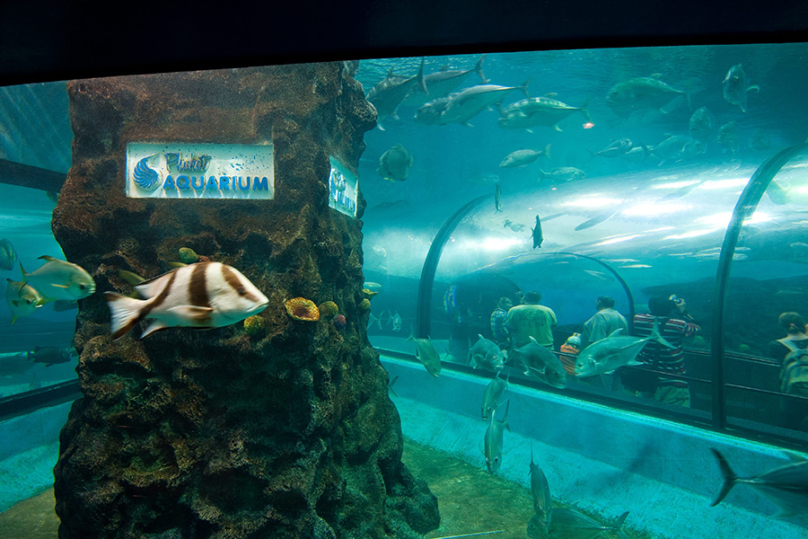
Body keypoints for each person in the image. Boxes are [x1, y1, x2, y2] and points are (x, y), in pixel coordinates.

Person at [621, 295, 700, 407]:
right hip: (673, 382)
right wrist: (683, 312)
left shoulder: (637, 320)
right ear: (670, 308)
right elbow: (696, 329)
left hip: (646, 378)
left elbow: (650, 316)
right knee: (676, 416)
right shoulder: (678, 325)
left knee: (646, 413)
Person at [768, 312, 808, 430]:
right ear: (802, 325)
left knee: (787, 426)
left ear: (782, 326)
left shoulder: (775, 345)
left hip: (790, 394)